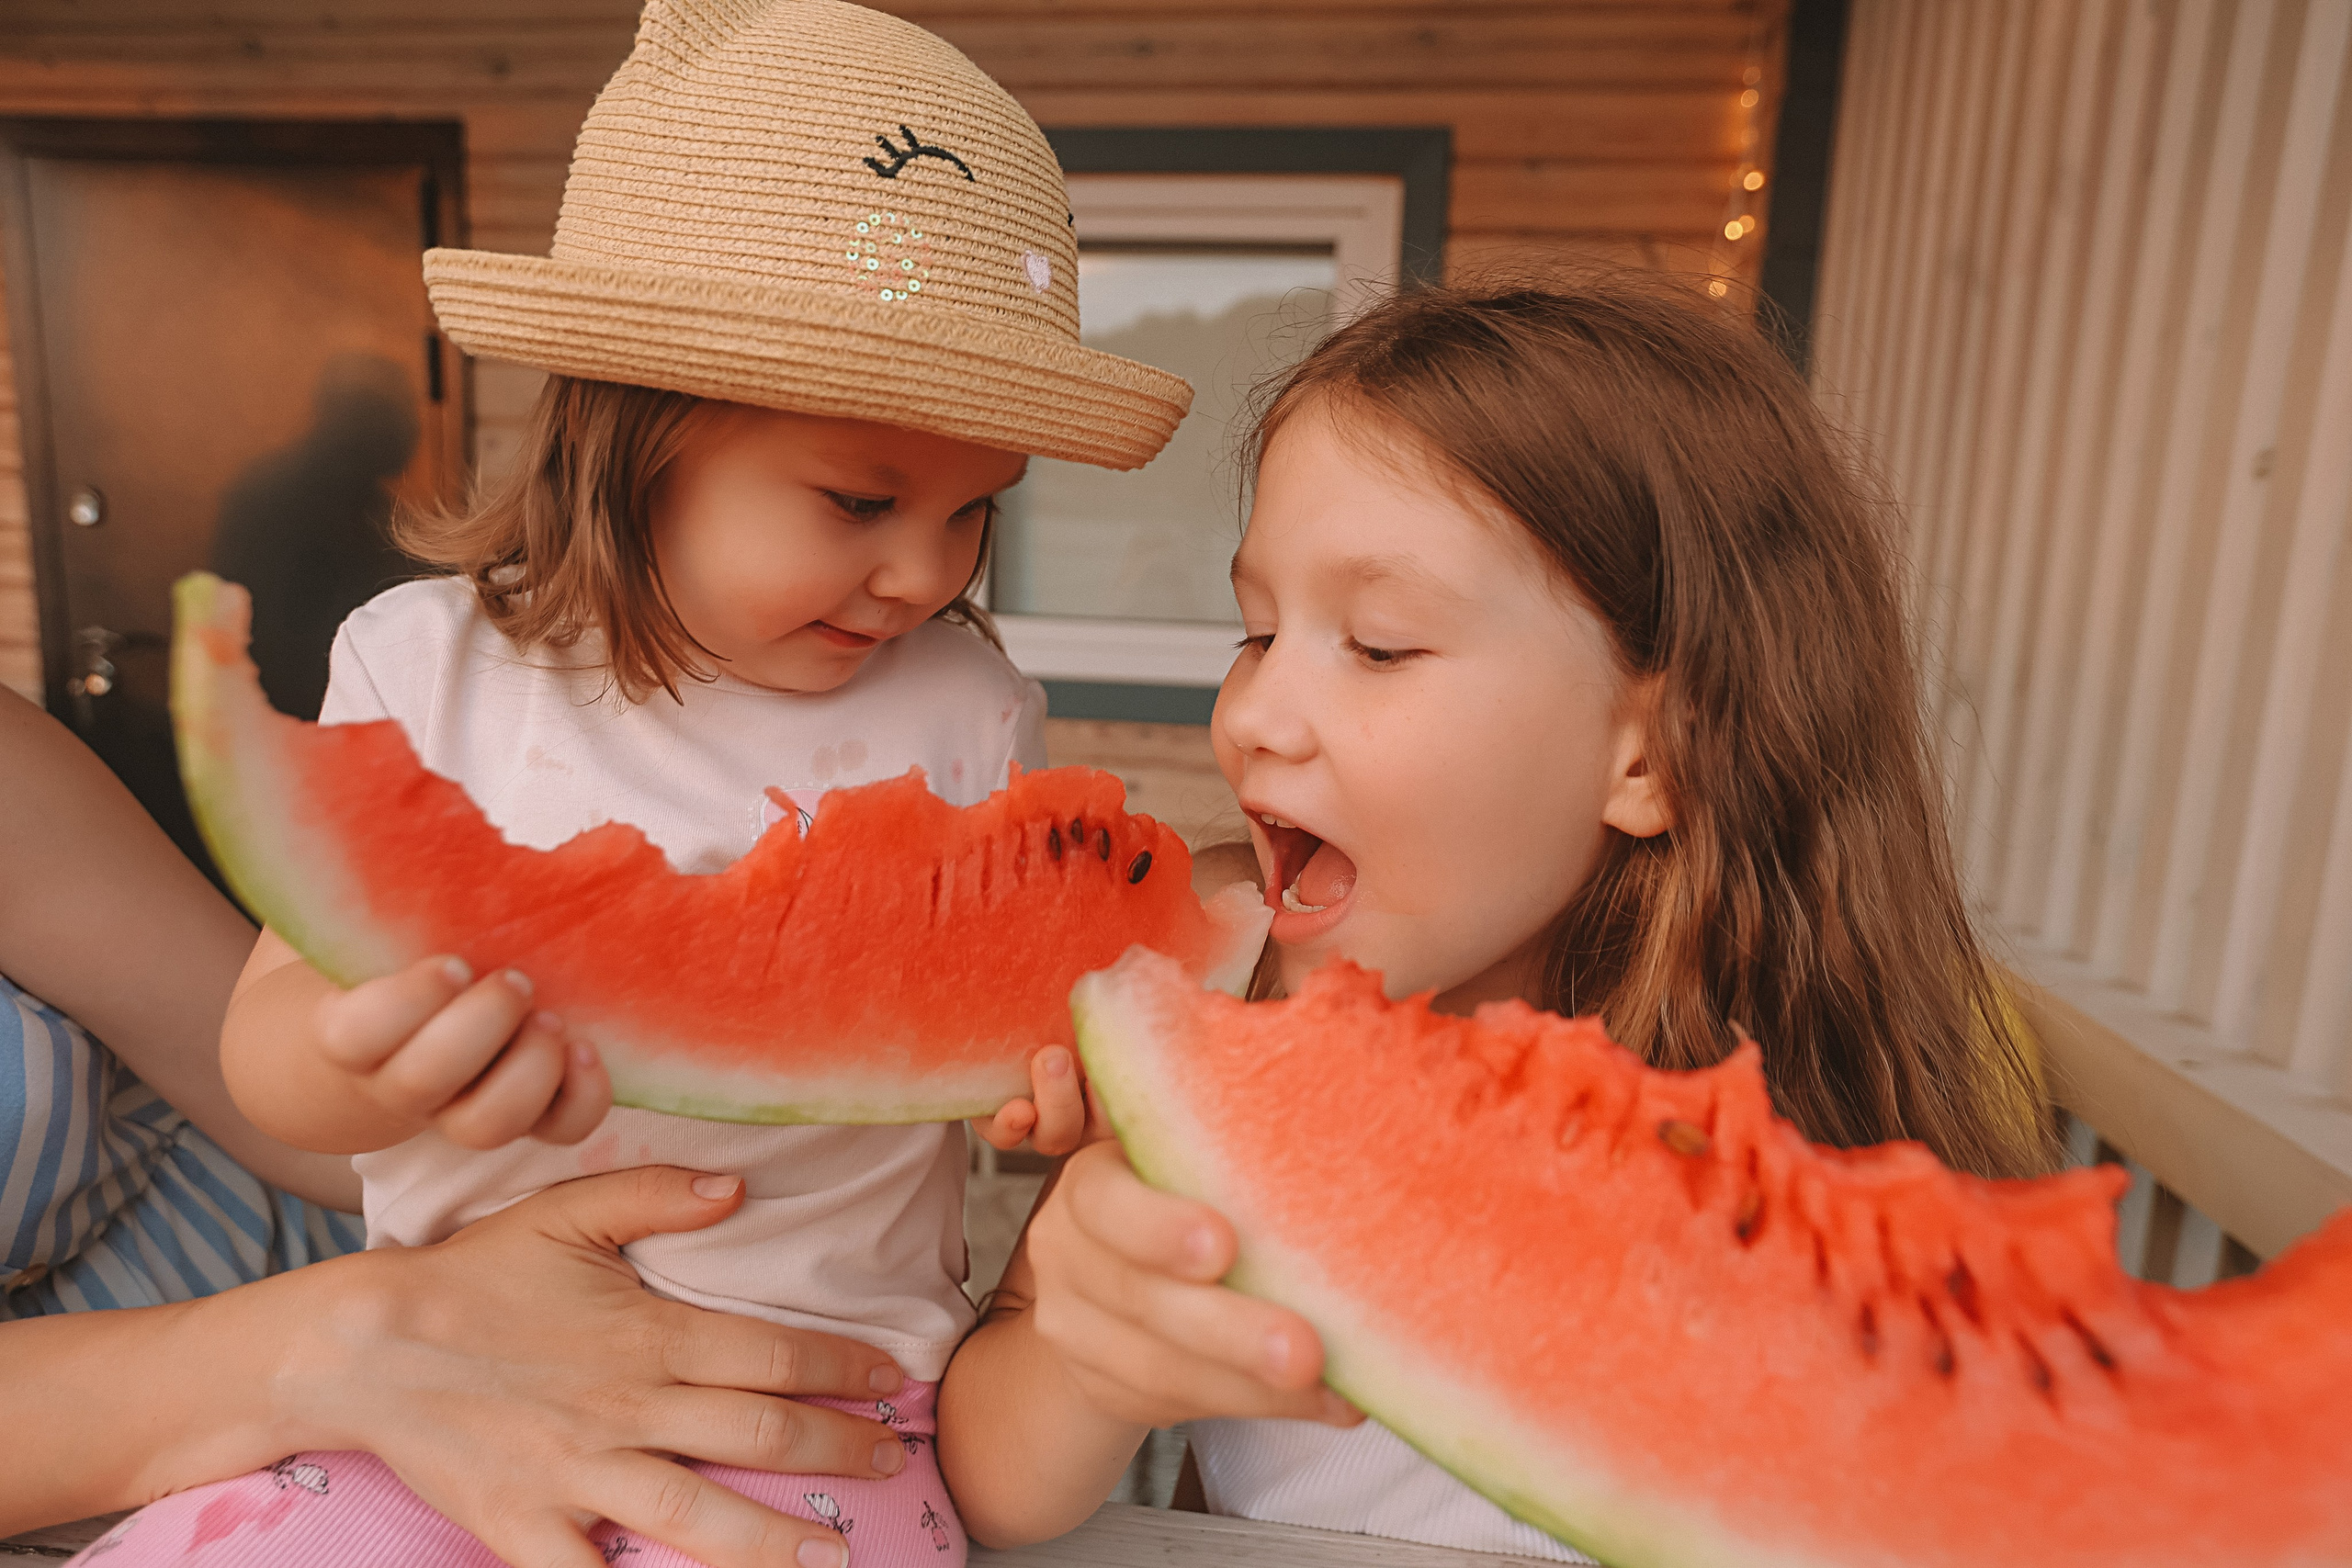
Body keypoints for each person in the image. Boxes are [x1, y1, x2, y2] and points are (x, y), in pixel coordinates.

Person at [77, 1, 1189, 1564]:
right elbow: (268, 1050)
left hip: (822, 1407)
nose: (925, 573)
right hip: (446, 1382)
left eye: (974, 512)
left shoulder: (968, 705)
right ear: (637, 434)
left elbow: (988, 1051)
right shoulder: (422, 664)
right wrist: (367, 1054)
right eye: (859, 500)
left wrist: (1065, 1087)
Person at [938, 281, 2053, 1558]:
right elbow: (989, 1478)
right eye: (1255, 632)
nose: (1251, 715)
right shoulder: (1217, 1023)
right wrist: (1079, 1354)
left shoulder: (1823, 1221)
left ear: (1655, 752)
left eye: (1378, 645)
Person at [0, 688, 947, 1568]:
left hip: (476, 1295)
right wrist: (349, 1343)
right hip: (343, 1388)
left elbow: (270, 1092)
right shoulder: (409, 665)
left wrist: (486, 1082)